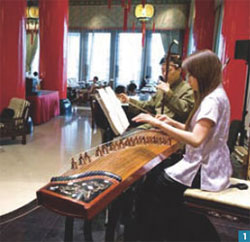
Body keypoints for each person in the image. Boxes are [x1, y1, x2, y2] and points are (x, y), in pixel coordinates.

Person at [132, 50, 233, 241]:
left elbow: (196, 139)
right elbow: (201, 130)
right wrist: (172, 123)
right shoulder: (217, 92)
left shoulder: (211, 100)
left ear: (202, 75)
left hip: (205, 170)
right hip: (212, 163)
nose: (190, 80)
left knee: (159, 184)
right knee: (158, 179)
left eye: (192, 75)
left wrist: (158, 124)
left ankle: (163, 234)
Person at [118, 54, 194, 129]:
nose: (165, 74)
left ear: (179, 70)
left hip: (172, 130)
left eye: (168, 70)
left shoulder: (187, 89)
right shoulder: (161, 88)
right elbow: (148, 106)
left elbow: (185, 111)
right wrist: (129, 100)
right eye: (162, 70)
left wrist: (169, 93)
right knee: (130, 135)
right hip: (155, 126)